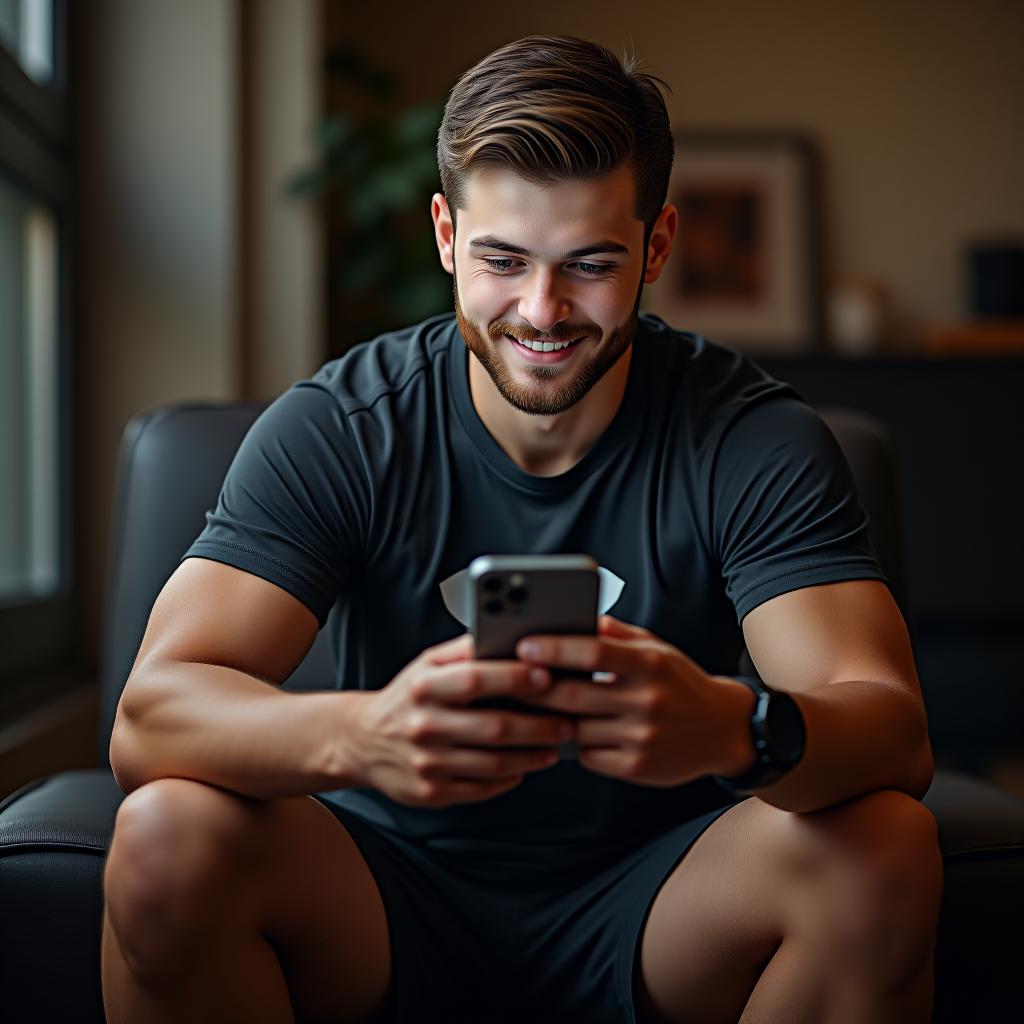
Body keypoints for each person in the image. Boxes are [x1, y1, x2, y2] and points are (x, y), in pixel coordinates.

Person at [100, 33, 943, 1024]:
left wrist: (728, 726)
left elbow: (890, 730)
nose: (541, 311)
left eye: (589, 263)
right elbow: (150, 717)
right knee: (166, 831)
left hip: (668, 897)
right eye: (502, 259)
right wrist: (363, 734)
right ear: (447, 236)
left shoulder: (751, 439)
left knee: (884, 847)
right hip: (377, 890)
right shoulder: (343, 425)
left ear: (656, 245)